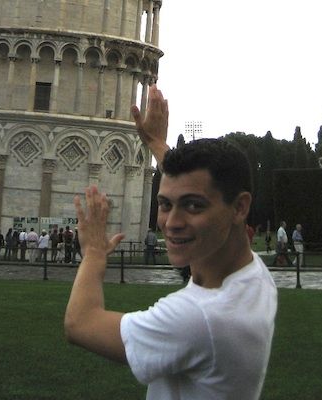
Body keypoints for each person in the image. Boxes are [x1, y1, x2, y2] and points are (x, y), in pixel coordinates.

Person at [64, 85, 277, 400]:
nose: (172, 223)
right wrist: (157, 144)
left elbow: (80, 324)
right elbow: (191, 185)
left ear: (240, 207)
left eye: (193, 206)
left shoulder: (198, 319)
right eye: (165, 204)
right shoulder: (254, 276)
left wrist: (94, 254)